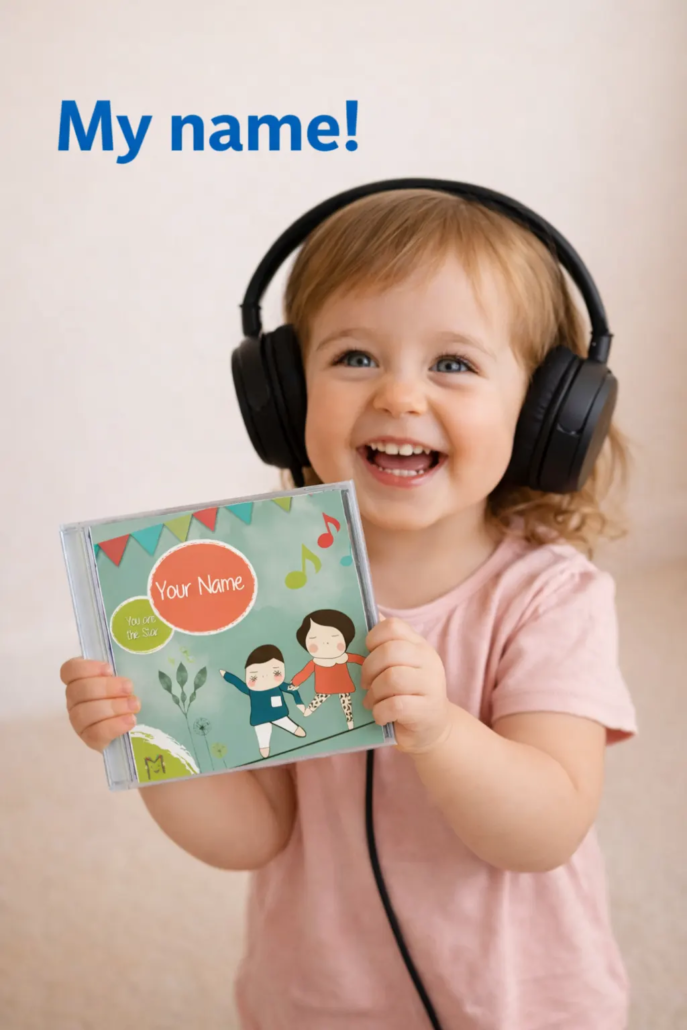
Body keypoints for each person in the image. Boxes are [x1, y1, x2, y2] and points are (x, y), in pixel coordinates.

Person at [61, 188, 637, 1029]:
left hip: (519, 1000)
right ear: (285, 398)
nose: (400, 396)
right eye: (356, 357)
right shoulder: (256, 590)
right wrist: (155, 738)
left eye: (453, 363)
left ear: (548, 413)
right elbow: (252, 835)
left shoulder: (550, 598)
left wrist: (440, 730)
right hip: (317, 996)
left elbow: (543, 829)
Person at [220, 644, 307, 759]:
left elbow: (291, 690)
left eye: (275, 673)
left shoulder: (279, 685)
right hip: (260, 718)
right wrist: (226, 675)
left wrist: (298, 700)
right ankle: (264, 747)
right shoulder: (251, 690)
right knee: (263, 733)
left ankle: (294, 729)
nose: (264, 677)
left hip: (278, 714)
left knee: (285, 722)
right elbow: (238, 683)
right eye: (254, 677)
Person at [291, 608, 365, 729]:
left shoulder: (344, 657)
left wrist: (371, 662)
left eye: (334, 637)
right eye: (315, 640)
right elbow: (304, 673)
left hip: (343, 684)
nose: (325, 643)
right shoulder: (316, 662)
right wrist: (295, 682)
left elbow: (359, 659)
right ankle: (308, 711)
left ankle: (350, 721)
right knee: (319, 699)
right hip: (325, 686)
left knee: (346, 702)